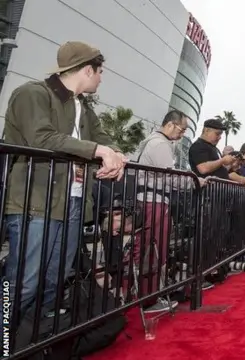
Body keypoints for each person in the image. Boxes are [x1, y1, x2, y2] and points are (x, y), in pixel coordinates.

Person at [3, 41, 126, 313]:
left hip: (72, 203)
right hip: (35, 201)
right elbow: (41, 137)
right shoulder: (32, 93)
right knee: (23, 281)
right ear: (86, 70)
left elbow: (103, 138)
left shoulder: (82, 106)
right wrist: (98, 150)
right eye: (100, 71)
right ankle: (4, 338)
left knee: (55, 278)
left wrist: (116, 154)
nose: (102, 77)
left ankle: (32, 341)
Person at [134, 110, 214, 314]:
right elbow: (170, 177)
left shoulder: (153, 141)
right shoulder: (160, 144)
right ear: (171, 125)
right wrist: (195, 181)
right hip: (154, 201)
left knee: (152, 247)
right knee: (154, 248)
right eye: (182, 129)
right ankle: (149, 298)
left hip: (152, 200)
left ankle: (148, 293)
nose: (182, 134)